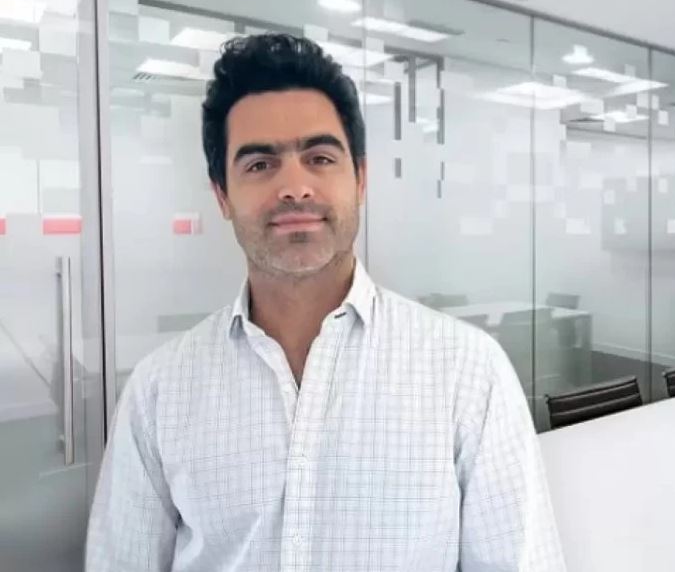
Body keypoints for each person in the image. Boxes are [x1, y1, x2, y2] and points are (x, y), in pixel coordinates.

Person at [86, 33, 566, 571]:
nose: (295, 187)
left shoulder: (468, 374)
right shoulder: (159, 392)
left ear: (360, 179)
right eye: (259, 164)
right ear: (222, 194)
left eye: (319, 157)